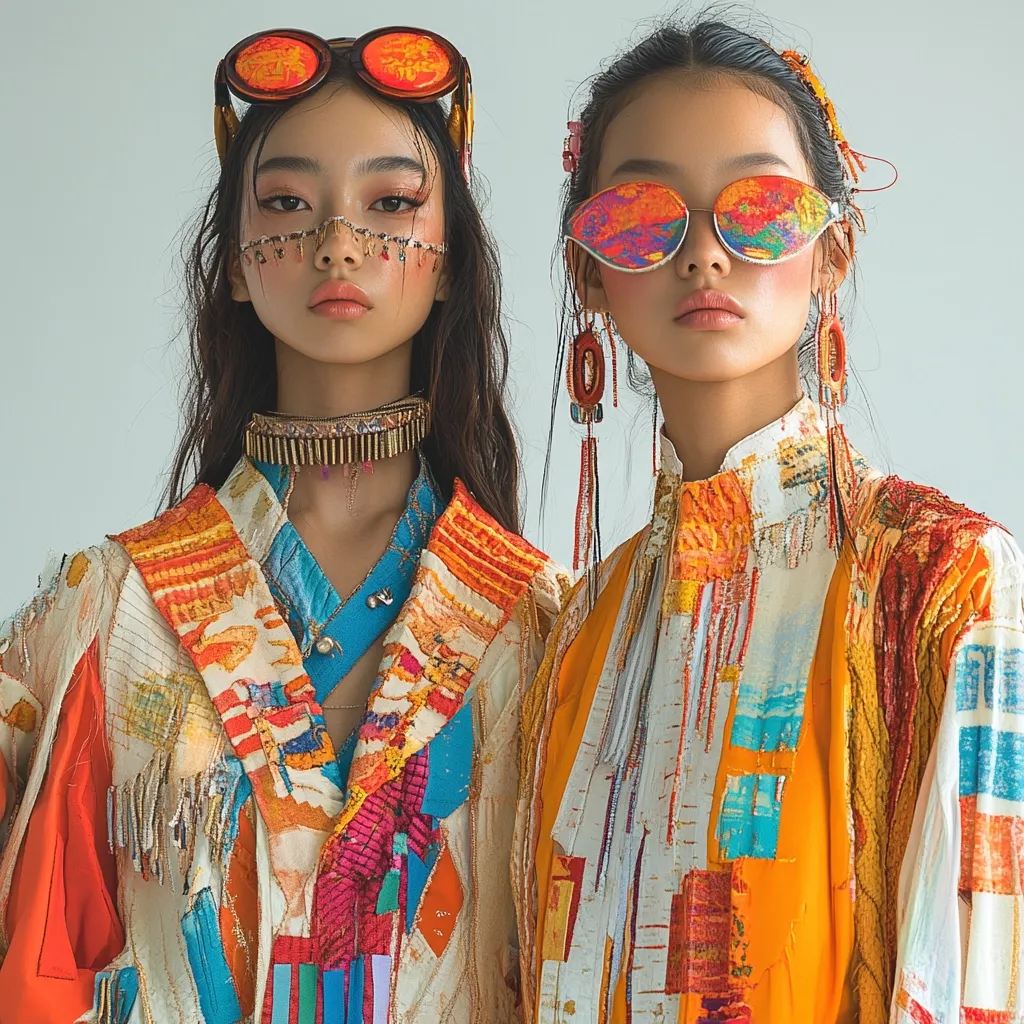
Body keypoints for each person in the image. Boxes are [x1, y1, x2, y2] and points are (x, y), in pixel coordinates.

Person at [0, 27, 566, 1024]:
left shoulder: (539, 624)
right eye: (288, 205)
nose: (337, 242)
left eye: (391, 204)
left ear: (448, 264)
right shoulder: (106, 609)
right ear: (232, 265)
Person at [513, 17, 1023, 1024]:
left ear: (830, 248)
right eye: (641, 217)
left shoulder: (939, 580)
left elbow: (980, 981)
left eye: (757, 209)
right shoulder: (573, 631)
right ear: (586, 271)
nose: (703, 253)